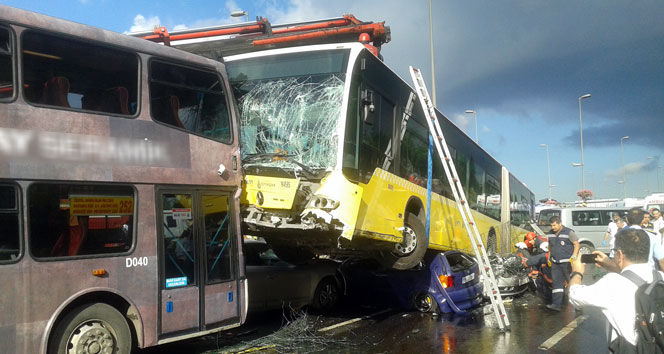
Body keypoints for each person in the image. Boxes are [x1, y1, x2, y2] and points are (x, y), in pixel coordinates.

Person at [569, 228, 664, 352]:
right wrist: (611, 265)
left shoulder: (612, 283)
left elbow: (575, 296)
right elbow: (635, 275)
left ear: (619, 254)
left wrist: (577, 272)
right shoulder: (660, 277)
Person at [545, 215, 580, 311]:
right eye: (551, 225)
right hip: (555, 262)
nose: (553, 227)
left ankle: (578, 305)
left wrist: (574, 255)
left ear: (560, 224)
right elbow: (550, 246)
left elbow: (576, 244)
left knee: (572, 283)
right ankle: (556, 305)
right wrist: (549, 257)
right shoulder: (550, 233)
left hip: (567, 263)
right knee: (557, 285)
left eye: (555, 225)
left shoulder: (569, 232)